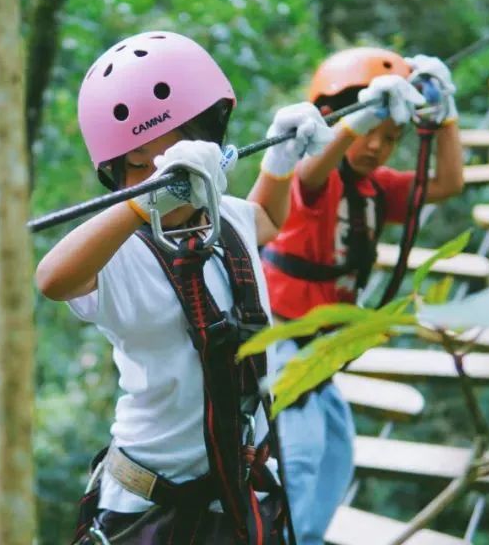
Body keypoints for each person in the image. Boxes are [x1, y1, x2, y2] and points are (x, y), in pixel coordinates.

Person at [36, 30, 334, 544]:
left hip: (241, 495)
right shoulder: (120, 256)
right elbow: (52, 279)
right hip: (151, 508)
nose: (163, 172)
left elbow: (266, 217)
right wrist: (142, 204)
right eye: (140, 165)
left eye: (179, 155)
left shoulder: (228, 219)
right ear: (116, 175)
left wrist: (281, 159)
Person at [260, 47, 465, 545]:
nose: (377, 145)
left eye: (391, 137)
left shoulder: (378, 189)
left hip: (321, 348)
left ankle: (304, 538)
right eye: (372, 131)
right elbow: (310, 173)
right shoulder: (312, 179)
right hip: (280, 338)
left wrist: (445, 118)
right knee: (300, 455)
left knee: (336, 455)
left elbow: (448, 183)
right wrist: (360, 118)